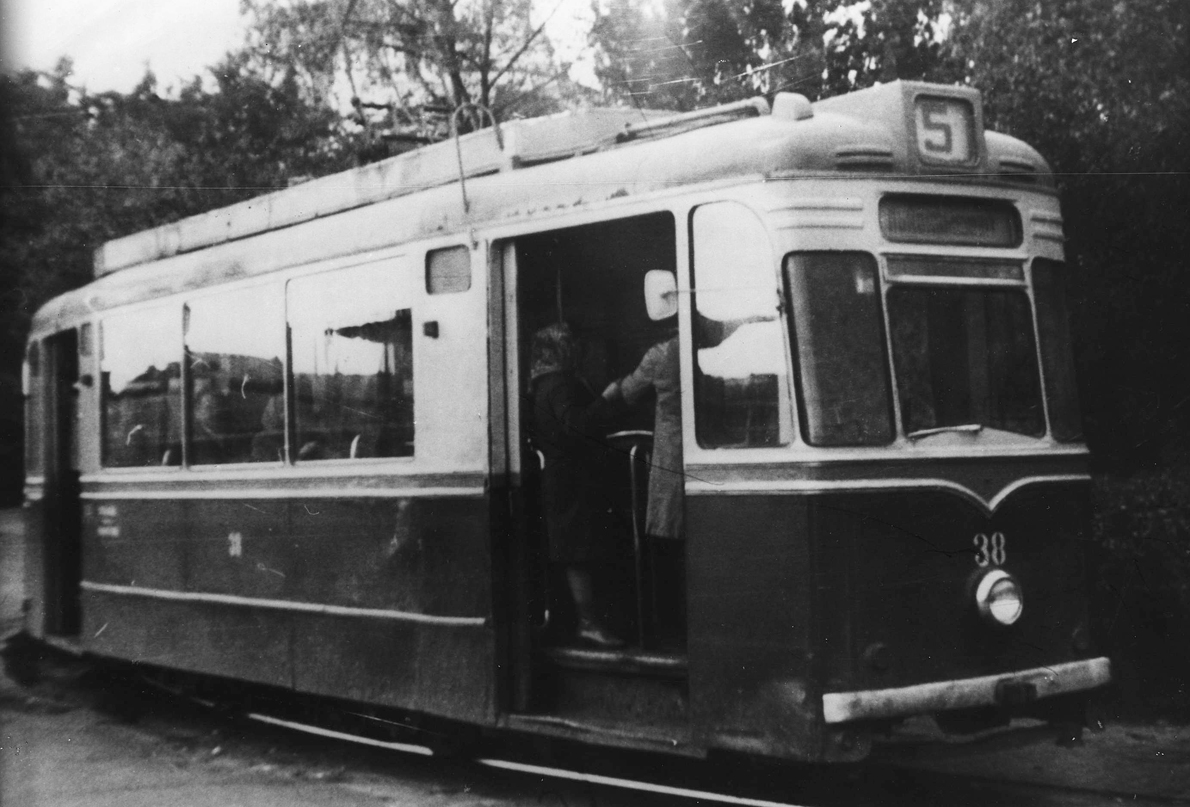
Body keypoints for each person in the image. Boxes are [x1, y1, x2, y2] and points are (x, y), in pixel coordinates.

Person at [528, 323, 625, 648]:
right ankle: (589, 623)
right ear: (561, 350)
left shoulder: (541, 384)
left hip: (561, 478)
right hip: (574, 480)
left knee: (573, 552)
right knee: (580, 553)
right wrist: (607, 398)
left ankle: (583, 621)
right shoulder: (561, 385)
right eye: (572, 344)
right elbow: (578, 427)